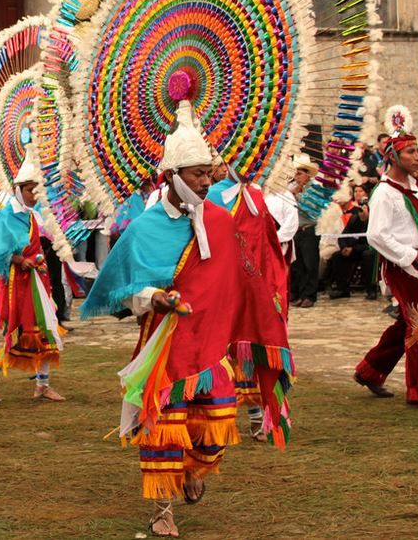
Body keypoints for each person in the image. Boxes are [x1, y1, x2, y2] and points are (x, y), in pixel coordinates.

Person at [81, 85, 292, 537]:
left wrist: (264, 309)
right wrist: (151, 298)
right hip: (165, 346)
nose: (205, 182)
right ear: (172, 176)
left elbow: (243, 277)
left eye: (208, 175)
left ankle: (196, 470)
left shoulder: (218, 220)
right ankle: (162, 512)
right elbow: (122, 287)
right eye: (197, 175)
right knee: (163, 430)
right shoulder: (144, 228)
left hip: (212, 344)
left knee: (218, 423)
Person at [354, 115, 418, 408]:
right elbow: (376, 235)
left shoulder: (416, 188)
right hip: (402, 265)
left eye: (416, 151)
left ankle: (370, 370)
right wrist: (412, 255)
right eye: (410, 152)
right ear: (393, 157)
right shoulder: (385, 193)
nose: (417, 157)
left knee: (406, 322)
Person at [0, 143, 65, 404]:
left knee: (46, 329)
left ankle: (42, 384)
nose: (34, 194)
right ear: (18, 189)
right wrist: (21, 260)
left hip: (36, 281)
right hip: (17, 284)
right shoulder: (6, 217)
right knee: (21, 333)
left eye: (37, 188)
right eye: (29, 189)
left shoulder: (32, 216)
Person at [207, 167, 291, 442]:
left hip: (255, 287)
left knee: (254, 350)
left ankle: (259, 416)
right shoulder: (212, 195)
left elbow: (267, 246)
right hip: (222, 286)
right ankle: (214, 416)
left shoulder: (256, 196)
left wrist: (272, 286)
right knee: (221, 353)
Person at [266, 154, 319, 307]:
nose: (296, 177)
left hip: (309, 228)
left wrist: (298, 198)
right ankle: (301, 293)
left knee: (310, 263)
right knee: (299, 264)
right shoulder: (290, 189)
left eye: (299, 173)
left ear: (307, 175)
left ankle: (310, 295)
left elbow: (314, 209)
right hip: (297, 230)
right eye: (296, 173)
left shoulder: (314, 189)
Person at [325, 184, 377, 299]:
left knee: (368, 255)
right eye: (355, 191)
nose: (362, 212)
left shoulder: (373, 219)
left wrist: (353, 248)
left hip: (366, 249)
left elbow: (371, 241)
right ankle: (342, 289)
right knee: (337, 256)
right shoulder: (354, 218)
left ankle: (371, 289)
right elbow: (343, 236)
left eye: (360, 191)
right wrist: (344, 247)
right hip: (352, 249)